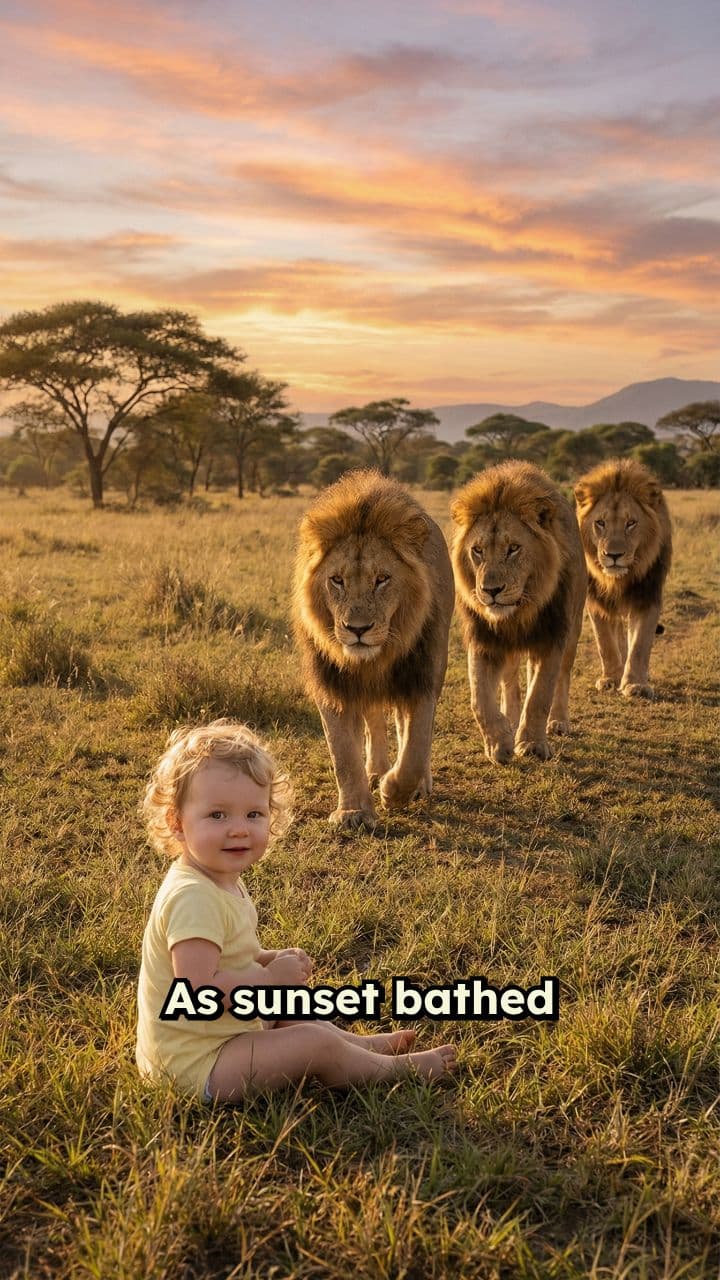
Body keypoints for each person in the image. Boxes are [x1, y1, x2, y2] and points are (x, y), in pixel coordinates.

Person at [136, 719, 457, 1102]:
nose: (239, 829)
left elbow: (227, 957)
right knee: (311, 1042)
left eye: (253, 815)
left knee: (293, 1011)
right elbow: (197, 991)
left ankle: (360, 1046)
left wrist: (267, 958)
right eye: (218, 815)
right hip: (195, 1066)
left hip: (223, 1038)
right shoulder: (193, 898)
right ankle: (395, 1070)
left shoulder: (217, 879)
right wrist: (269, 978)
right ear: (177, 823)